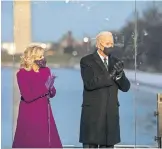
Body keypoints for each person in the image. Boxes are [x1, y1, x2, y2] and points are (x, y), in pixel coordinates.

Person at [79, 31, 130, 148]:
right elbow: (90, 84)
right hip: (93, 114)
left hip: (110, 115)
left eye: (112, 43)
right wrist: (111, 75)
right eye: (107, 43)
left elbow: (126, 87)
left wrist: (119, 75)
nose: (110, 46)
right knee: (90, 145)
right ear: (99, 44)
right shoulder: (87, 61)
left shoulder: (116, 61)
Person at [12, 45, 62, 148]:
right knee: (31, 140)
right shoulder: (22, 74)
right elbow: (27, 96)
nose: (43, 59)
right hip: (30, 111)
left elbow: (52, 93)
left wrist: (51, 87)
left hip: (45, 111)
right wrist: (45, 87)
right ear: (32, 58)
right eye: (40, 56)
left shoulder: (46, 70)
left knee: (49, 140)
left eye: (43, 56)